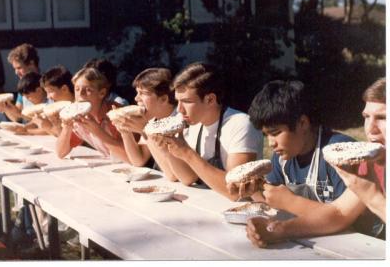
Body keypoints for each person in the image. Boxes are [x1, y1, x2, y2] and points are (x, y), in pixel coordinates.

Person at [246, 78, 386, 248]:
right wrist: (278, 230)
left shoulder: (337, 152)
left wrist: (373, 197)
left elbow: (351, 223)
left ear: (303, 123)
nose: (370, 128)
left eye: (382, 117)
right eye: (366, 117)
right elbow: (340, 214)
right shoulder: (372, 163)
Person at [233, 80, 354, 215]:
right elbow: (272, 205)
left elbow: (346, 217)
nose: (271, 143)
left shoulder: (340, 155)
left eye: (275, 133)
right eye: (266, 135)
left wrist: (291, 202)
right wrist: (254, 191)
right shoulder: (281, 158)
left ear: (303, 123)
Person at [152, 63, 263, 198]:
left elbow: (236, 191)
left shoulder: (241, 124)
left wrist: (187, 153)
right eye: (178, 101)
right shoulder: (193, 123)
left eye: (186, 101)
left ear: (210, 99)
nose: (179, 110)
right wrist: (169, 148)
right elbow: (188, 178)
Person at [110, 68, 196, 183]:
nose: (136, 98)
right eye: (137, 92)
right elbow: (138, 160)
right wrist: (125, 132)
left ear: (164, 99)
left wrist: (146, 130)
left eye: (143, 93)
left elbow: (172, 175)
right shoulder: (153, 119)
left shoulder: (180, 123)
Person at [56, 67, 128, 161]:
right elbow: (61, 153)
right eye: (77, 89)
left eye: (88, 89)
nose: (81, 94)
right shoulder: (79, 117)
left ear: (102, 93)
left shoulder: (116, 114)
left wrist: (97, 131)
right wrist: (67, 127)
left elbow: (129, 156)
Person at [0, 43, 40, 122]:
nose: (16, 72)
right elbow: (17, 118)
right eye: (15, 69)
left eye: (19, 68)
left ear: (31, 63)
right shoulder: (23, 85)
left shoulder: (46, 84)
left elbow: (43, 122)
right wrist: (5, 107)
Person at [34, 65, 75, 136]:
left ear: (64, 89)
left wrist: (48, 127)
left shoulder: (79, 109)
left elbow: (72, 140)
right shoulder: (61, 108)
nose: (48, 97)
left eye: (50, 92)